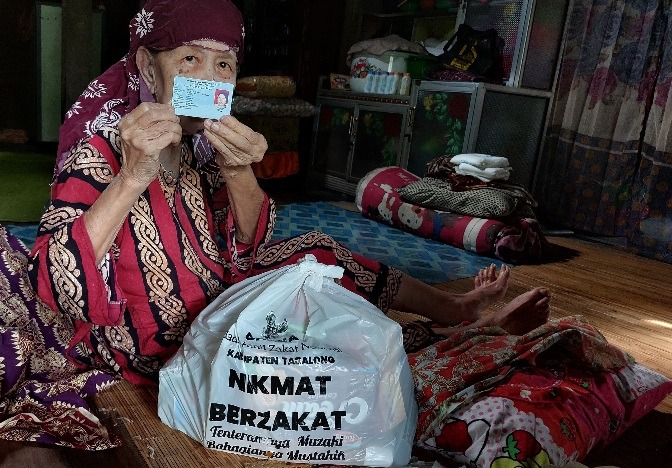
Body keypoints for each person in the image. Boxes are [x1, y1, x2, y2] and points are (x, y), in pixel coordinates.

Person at [28, 0, 551, 386]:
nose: (210, 78)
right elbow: (54, 281)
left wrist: (240, 173)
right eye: (188, 60)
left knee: (316, 253)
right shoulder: (101, 153)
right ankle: (458, 338)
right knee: (303, 342)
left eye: (224, 65)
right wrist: (132, 177)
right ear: (147, 67)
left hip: (214, 299)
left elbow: (250, 244)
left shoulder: (198, 151)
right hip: (152, 344)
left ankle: (456, 309)